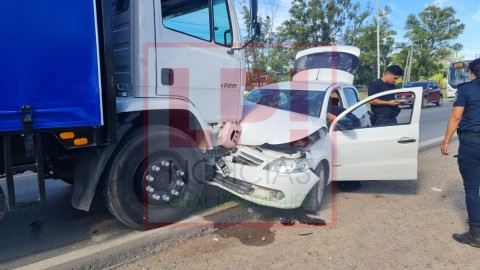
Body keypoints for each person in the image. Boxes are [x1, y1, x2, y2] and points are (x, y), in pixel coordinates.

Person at [441, 58, 480, 248]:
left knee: (472, 187)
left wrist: (446, 141)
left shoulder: (465, 89)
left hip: (472, 142)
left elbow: (456, 116)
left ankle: (476, 234)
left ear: (471, 72)